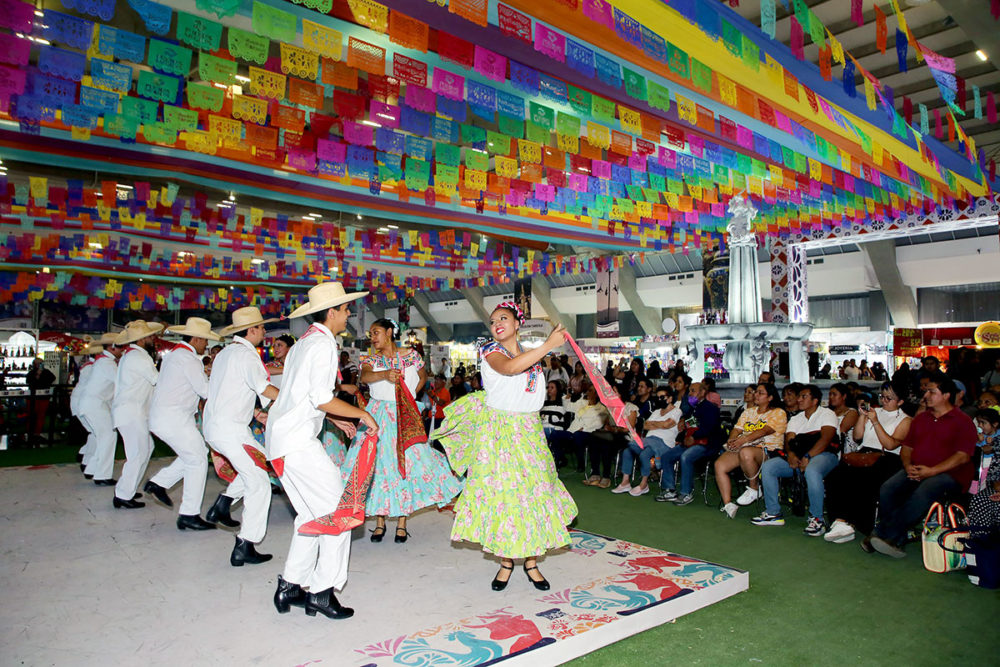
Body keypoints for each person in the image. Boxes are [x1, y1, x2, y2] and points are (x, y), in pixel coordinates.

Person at [431, 301, 576, 591]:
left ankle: (532, 562)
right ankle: (506, 562)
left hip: (530, 431)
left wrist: (545, 348)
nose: (497, 323)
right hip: (500, 434)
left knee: (534, 493)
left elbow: (527, 384)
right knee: (505, 497)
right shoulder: (490, 351)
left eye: (504, 318)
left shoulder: (531, 356)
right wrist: (548, 345)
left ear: (517, 324)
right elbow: (509, 370)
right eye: (493, 319)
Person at [267, 282, 379, 619]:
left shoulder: (305, 342)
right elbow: (317, 396)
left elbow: (301, 394)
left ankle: (291, 585)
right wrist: (360, 413)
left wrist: (333, 416)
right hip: (297, 442)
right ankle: (321, 591)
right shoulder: (322, 345)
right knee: (340, 513)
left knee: (313, 516)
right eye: (345, 310)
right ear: (332, 312)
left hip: (282, 440)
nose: (349, 315)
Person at [342, 318, 461, 544]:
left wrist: (408, 398)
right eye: (371, 334)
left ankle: (402, 523)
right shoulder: (371, 359)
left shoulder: (412, 355)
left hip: (403, 414)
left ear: (389, 332)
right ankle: (379, 521)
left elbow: (424, 377)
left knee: (405, 464)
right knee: (377, 466)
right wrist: (385, 375)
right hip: (377, 415)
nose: (373, 337)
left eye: (376, 332)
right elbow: (364, 376)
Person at [870, 372, 978, 558]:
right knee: (889, 487)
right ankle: (895, 536)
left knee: (926, 489)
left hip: (951, 474)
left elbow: (962, 457)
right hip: (918, 468)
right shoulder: (921, 419)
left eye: (931, 392)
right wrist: (907, 465)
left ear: (945, 396)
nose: (925, 396)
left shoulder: (963, 421)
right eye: (926, 391)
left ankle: (884, 534)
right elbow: (907, 447)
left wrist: (932, 471)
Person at [203, 307, 281, 564]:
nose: (264, 332)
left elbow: (234, 389)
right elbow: (265, 388)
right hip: (231, 430)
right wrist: (294, 403)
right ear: (252, 330)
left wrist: (255, 411)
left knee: (260, 464)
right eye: (261, 328)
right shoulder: (247, 356)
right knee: (259, 482)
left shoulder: (225, 353)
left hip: (218, 427)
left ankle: (223, 504)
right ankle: (245, 544)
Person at [144, 318, 220, 530]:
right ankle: (189, 513)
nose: (206, 345)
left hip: (168, 417)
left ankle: (159, 483)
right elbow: (205, 391)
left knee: (196, 454)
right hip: (173, 418)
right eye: (205, 341)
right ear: (195, 339)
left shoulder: (176, 356)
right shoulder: (188, 359)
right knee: (197, 459)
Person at [824, 380, 912, 546]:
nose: (884, 401)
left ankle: (850, 522)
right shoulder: (874, 411)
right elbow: (857, 437)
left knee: (864, 479)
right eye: (882, 396)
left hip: (887, 457)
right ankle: (840, 521)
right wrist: (862, 417)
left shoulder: (906, 420)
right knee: (835, 476)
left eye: (889, 398)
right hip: (864, 453)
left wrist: (876, 422)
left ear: (900, 401)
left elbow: (891, 444)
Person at [753, 385, 840, 536]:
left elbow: (826, 439)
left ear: (815, 400)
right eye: (799, 396)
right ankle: (773, 513)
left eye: (803, 397)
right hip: (799, 457)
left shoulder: (827, 414)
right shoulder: (796, 418)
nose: (799, 399)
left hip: (825, 456)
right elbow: (789, 440)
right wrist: (792, 455)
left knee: (812, 471)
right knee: (769, 467)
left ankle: (817, 519)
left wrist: (808, 456)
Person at [110, 320, 163, 509]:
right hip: (131, 413)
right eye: (149, 337)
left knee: (146, 449)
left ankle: (127, 489)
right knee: (137, 454)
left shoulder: (133, 355)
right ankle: (123, 494)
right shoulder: (138, 358)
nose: (152, 339)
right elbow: (158, 381)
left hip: (133, 412)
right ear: (141, 340)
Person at [714, 383, 787, 519]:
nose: (756, 395)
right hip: (744, 448)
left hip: (768, 450)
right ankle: (728, 504)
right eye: (756, 392)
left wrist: (743, 440)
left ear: (770, 397)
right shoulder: (748, 412)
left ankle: (754, 488)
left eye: (760, 393)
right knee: (720, 465)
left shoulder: (778, 412)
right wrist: (732, 440)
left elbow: (764, 431)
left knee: (746, 452)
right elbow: (737, 429)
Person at [656, 382, 723, 505]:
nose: (690, 394)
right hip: (690, 442)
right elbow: (689, 425)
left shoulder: (710, 408)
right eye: (689, 391)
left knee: (686, 457)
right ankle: (670, 490)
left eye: (693, 391)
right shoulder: (693, 409)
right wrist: (682, 428)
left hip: (706, 444)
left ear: (703, 392)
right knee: (666, 457)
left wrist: (693, 436)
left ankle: (686, 493)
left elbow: (708, 429)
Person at [613, 386, 680, 497]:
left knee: (639, 450)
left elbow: (668, 424)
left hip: (664, 442)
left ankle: (644, 484)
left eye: (662, 397)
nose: (659, 400)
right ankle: (625, 482)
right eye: (658, 397)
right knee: (628, 451)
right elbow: (645, 425)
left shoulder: (677, 411)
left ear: (670, 398)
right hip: (649, 440)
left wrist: (655, 424)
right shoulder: (657, 411)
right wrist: (661, 424)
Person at [78, 333, 123, 485]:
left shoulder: (103, 361)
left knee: (104, 437)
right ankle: (102, 475)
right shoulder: (107, 364)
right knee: (108, 437)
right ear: (112, 347)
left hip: (94, 404)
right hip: (96, 405)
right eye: (121, 347)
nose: (123, 350)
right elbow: (122, 382)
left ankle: (92, 469)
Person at [567, 383, 612, 485]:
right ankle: (595, 473)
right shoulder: (583, 402)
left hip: (605, 433)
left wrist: (613, 428)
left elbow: (598, 424)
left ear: (597, 394)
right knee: (594, 441)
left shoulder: (602, 408)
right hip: (591, 433)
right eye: (588, 390)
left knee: (603, 443)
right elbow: (569, 407)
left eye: (590, 391)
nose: (588, 393)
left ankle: (606, 476)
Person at [71, 340, 104, 474]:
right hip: (83, 403)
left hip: (80, 402)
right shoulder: (92, 368)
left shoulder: (89, 366)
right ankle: (87, 461)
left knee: (94, 432)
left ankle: (84, 455)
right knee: (97, 433)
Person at [968, 410, 1000, 537]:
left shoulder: (997, 438)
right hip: (994, 482)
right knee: (979, 499)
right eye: (979, 423)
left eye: (983, 423)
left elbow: (988, 450)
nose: (980, 426)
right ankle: (981, 541)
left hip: (989, 472)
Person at [540, 380, 573, 467]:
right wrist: (545, 417)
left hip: (556, 429)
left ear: (557, 390)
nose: (549, 390)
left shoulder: (562, 404)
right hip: (543, 428)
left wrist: (545, 417)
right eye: (548, 388)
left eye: (552, 388)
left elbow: (555, 419)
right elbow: (541, 418)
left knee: (544, 434)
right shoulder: (544, 404)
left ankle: (556, 459)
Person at [828, 382, 859, 451]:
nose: (831, 397)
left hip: (845, 446)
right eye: (830, 394)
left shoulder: (851, 412)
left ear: (844, 396)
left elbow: (841, 431)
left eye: (834, 394)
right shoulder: (829, 412)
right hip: (829, 442)